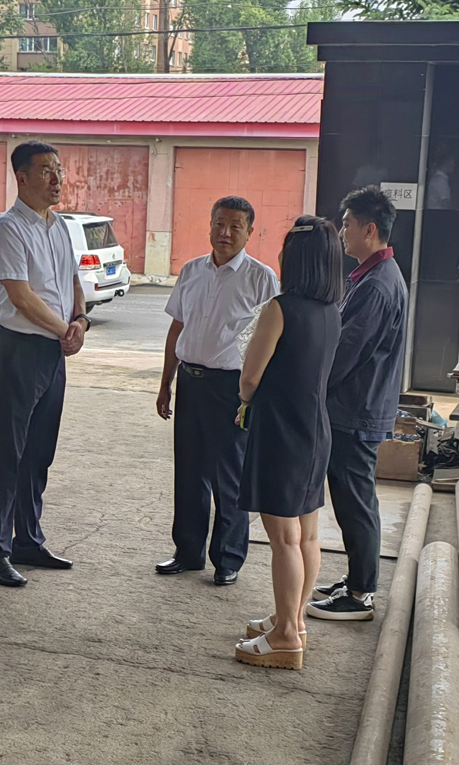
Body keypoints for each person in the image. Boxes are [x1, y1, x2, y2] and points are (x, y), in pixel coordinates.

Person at [0, 141, 89, 587]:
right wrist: (66, 329)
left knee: (39, 453)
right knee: (8, 453)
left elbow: (72, 279)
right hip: (18, 350)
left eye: (59, 169)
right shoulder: (8, 229)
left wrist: (80, 319)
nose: (57, 178)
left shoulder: (60, 226)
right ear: (21, 178)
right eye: (46, 171)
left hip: (51, 351)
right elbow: (21, 296)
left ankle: (28, 539)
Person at [233, 216, 342, 671]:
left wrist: (245, 401)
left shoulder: (280, 308)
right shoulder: (331, 310)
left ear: (294, 259)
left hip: (280, 429)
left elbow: (250, 378)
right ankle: (293, 619)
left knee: (283, 539)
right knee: (307, 533)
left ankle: (284, 638)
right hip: (315, 428)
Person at [155, 196, 279, 586]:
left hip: (233, 389)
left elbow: (271, 341)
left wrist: (255, 397)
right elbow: (177, 328)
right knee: (189, 472)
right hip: (191, 382)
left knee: (230, 476)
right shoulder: (192, 271)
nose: (225, 233)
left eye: (235, 226)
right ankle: (187, 552)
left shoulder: (262, 279)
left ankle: (228, 558)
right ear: (209, 225)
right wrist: (166, 383)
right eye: (219, 224)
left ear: (249, 232)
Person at [306, 186, 407, 622]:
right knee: (352, 498)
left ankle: (361, 592)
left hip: (355, 410)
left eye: (347, 224)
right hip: (357, 407)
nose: (341, 231)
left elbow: (346, 353)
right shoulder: (372, 275)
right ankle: (356, 580)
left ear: (369, 230)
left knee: (355, 500)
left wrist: (309, 387)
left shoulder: (377, 286)